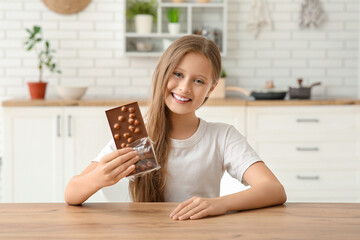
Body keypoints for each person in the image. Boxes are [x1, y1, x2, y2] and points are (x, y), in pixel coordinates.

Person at [64, 35, 287, 220]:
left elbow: (274, 189)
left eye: (198, 81)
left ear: (211, 88)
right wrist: (99, 178)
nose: (184, 88)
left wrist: (219, 205)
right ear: (162, 72)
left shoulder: (223, 136)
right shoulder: (135, 135)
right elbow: (71, 193)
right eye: (178, 74)